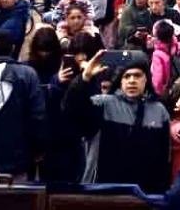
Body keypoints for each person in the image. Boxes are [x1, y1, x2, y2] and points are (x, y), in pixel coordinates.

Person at [64, 50, 173, 193]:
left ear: (146, 79)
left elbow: (164, 160)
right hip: (103, 190)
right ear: (120, 80)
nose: (132, 80)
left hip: (144, 195)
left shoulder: (159, 112)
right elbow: (71, 109)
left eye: (137, 75)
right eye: (127, 76)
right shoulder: (103, 104)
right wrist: (84, 78)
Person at [0, 30, 47, 177]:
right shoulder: (28, 74)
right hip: (20, 157)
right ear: (12, 48)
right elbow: (38, 115)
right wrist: (39, 148)